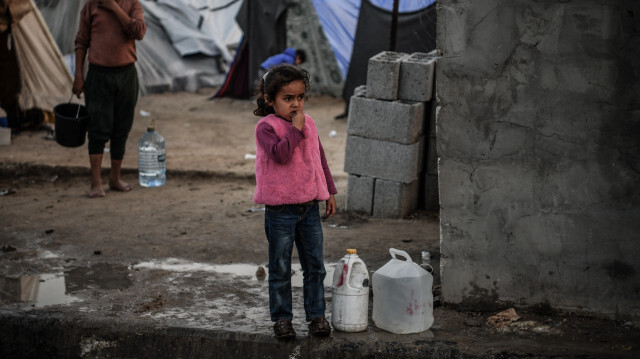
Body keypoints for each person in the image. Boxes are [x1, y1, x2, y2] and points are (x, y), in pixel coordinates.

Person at [253, 64, 337, 339]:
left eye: (300, 98)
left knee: (315, 266)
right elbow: (280, 155)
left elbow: (318, 158)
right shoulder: (266, 127)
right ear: (269, 100)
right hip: (280, 211)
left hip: (309, 207)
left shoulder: (308, 122)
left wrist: (329, 192)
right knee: (280, 268)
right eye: (287, 99)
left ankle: (317, 317)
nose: (296, 104)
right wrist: (295, 130)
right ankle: (282, 320)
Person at [72, 0, 146, 198]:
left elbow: (139, 32)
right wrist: (78, 75)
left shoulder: (132, 4)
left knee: (121, 128)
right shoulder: (91, 5)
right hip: (98, 76)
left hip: (126, 75)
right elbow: (81, 42)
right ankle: (96, 183)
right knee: (97, 128)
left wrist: (113, 7)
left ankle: (115, 178)